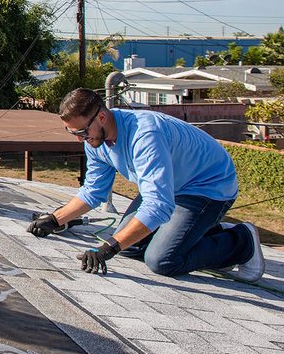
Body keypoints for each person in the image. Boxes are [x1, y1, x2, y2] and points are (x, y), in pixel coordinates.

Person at [27, 87, 265, 282]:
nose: (80, 139)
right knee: (130, 246)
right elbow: (93, 191)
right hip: (170, 184)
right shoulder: (95, 140)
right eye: (73, 134)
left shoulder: (145, 135)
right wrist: (56, 219)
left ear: (101, 117)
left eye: (82, 132)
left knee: (162, 260)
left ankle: (242, 241)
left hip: (207, 187)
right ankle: (206, 231)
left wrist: (108, 248)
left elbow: (158, 206)